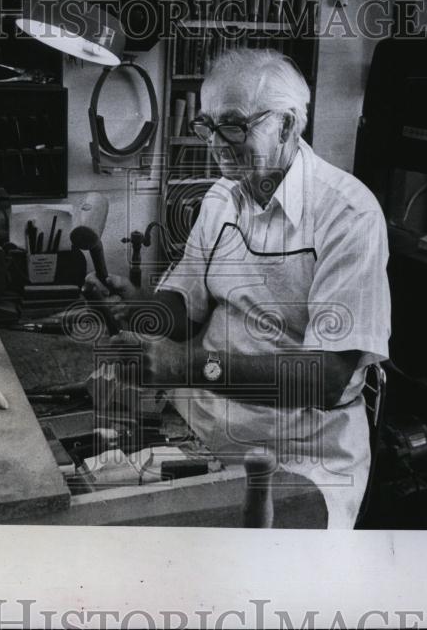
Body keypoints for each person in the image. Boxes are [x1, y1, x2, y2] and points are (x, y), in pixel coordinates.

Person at [85, 48, 390, 528]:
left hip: (300, 454)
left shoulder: (347, 214)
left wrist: (185, 365)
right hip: (200, 429)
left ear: (288, 125)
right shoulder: (221, 197)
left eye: (233, 125)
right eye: (207, 126)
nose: (215, 143)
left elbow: (328, 378)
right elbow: (187, 305)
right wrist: (142, 309)